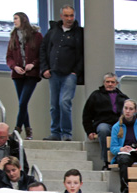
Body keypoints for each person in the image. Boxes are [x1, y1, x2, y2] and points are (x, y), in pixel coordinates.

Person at [40, 4, 84, 141]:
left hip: (69, 75)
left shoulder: (79, 33)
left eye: (71, 15)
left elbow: (84, 54)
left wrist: (76, 72)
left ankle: (66, 134)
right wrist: (44, 69)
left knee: (64, 103)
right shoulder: (53, 31)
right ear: (61, 16)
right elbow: (43, 49)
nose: (69, 18)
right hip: (53, 73)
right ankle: (55, 133)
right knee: (54, 105)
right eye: (66, 15)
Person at [6, 12, 43, 140]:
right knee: (23, 103)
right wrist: (14, 67)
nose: (14, 21)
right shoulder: (13, 36)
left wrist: (32, 64)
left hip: (31, 74)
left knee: (22, 103)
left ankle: (17, 129)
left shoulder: (36, 36)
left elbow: (41, 54)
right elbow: (9, 57)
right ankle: (28, 131)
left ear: (23, 19)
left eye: (15, 18)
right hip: (17, 75)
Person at [83, 73, 129, 169]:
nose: (110, 84)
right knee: (103, 129)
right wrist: (89, 131)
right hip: (102, 123)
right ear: (104, 83)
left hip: (119, 124)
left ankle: (123, 160)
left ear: (116, 83)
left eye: (112, 82)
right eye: (107, 82)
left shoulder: (123, 97)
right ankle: (106, 161)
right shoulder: (95, 95)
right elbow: (86, 114)